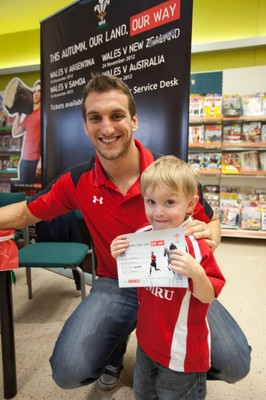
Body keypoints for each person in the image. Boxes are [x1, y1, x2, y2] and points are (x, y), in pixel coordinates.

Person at [0, 73, 251, 391]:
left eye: (116, 115)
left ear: (133, 120)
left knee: (235, 363)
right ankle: (115, 348)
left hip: (175, 285)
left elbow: (211, 221)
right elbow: (24, 212)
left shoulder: (169, 174)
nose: (106, 128)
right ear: (86, 126)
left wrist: (209, 238)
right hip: (115, 283)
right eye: (96, 118)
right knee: (67, 371)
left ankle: (179, 363)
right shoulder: (77, 181)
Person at [111, 155, 226, 399]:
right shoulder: (141, 236)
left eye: (170, 202)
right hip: (146, 342)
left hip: (182, 353)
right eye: (151, 201)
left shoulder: (196, 245)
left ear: (191, 205)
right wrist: (119, 253)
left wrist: (196, 273)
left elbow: (210, 295)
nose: (158, 212)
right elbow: (133, 273)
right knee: (143, 393)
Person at [11, 80, 41, 183]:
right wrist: (18, 113)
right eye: (34, 91)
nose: (36, 94)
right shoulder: (29, 115)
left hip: (36, 161)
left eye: (39, 91)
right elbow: (15, 132)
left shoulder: (43, 113)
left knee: (34, 195)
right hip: (24, 160)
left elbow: (47, 139)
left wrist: (41, 161)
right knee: (23, 192)